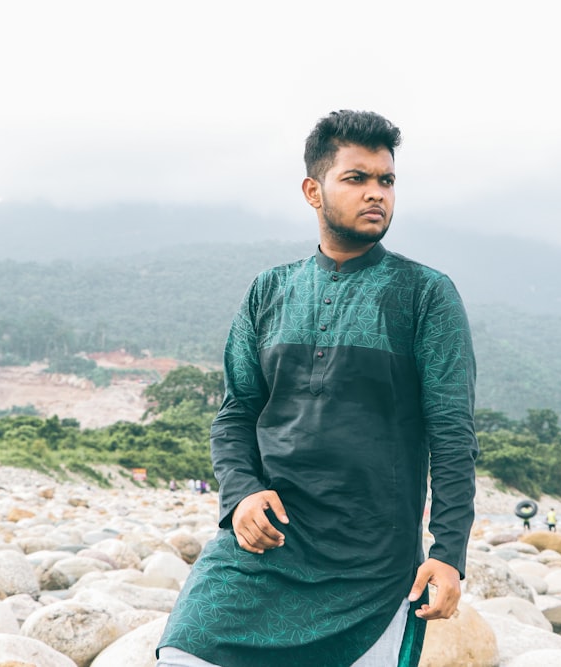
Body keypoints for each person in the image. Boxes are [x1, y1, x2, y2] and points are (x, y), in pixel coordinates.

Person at [155, 110, 478, 667]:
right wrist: (240, 496)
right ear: (313, 190)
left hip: (373, 566)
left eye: (386, 180)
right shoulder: (269, 290)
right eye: (357, 178)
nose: (376, 193)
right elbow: (236, 415)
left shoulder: (425, 295)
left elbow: (452, 435)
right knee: (184, 654)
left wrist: (449, 555)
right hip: (264, 544)